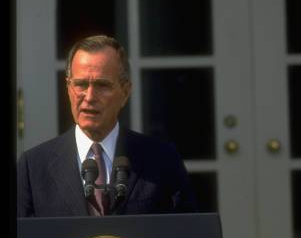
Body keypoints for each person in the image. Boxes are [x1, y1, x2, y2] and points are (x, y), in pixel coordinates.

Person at [17, 34, 198, 217]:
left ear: (125, 92)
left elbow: (188, 236)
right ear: (68, 88)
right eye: (80, 85)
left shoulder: (162, 160)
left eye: (102, 85)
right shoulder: (33, 167)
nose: (89, 97)